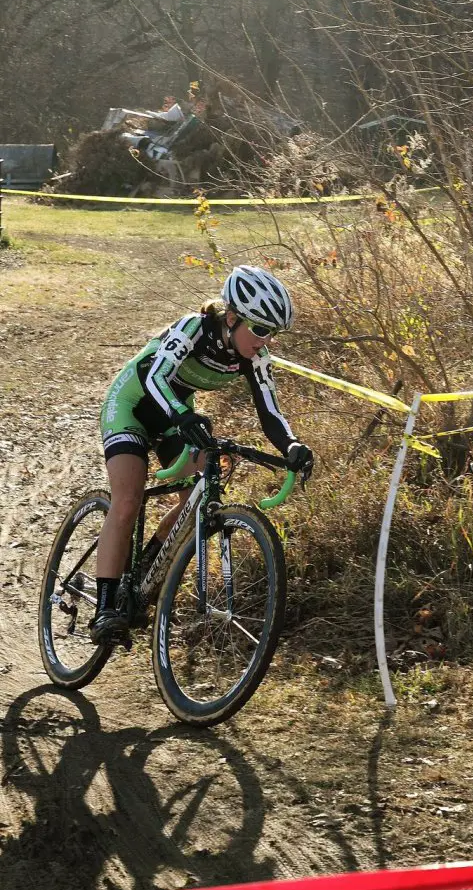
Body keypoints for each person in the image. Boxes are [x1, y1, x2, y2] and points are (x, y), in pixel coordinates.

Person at [92, 265, 314, 644]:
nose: (266, 341)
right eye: (260, 329)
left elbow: (270, 414)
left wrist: (291, 445)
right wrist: (182, 414)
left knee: (199, 498)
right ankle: (105, 608)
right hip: (133, 404)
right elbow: (155, 377)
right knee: (128, 500)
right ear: (232, 318)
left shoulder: (255, 358)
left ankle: (147, 571)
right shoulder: (192, 329)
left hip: (176, 417)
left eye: (272, 333)